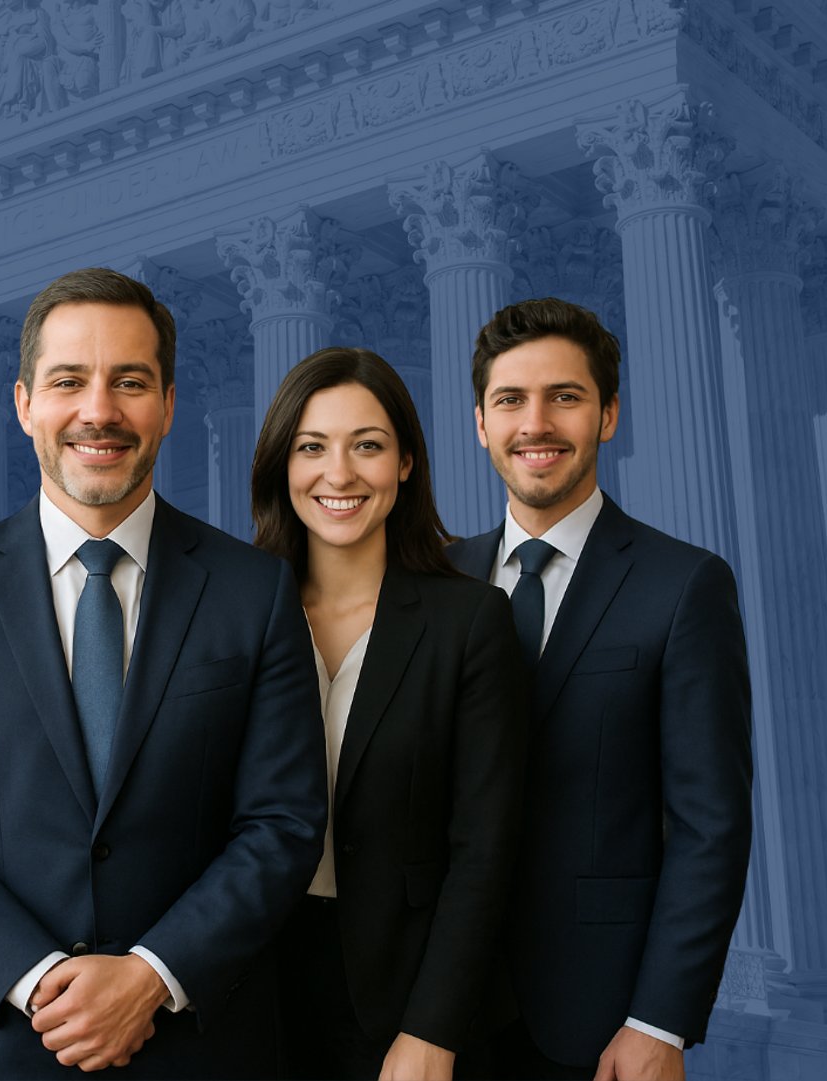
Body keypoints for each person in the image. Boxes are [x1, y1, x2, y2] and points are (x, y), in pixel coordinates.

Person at [0, 267, 327, 1078]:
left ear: (168, 404)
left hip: (195, 1046)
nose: (99, 410)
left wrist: (151, 975)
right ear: (23, 403)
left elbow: (282, 822)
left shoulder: (255, 591)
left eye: (130, 382)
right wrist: (38, 978)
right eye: (69, 380)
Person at [447, 298, 751, 1081]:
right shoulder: (432, 581)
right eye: (510, 400)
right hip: (437, 1016)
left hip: (601, 1022)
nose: (535, 424)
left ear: (608, 415)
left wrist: (660, 1020)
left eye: (565, 396)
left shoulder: (683, 585)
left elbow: (710, 825)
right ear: (480, 423)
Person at [250, 347, 529, 1080]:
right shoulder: (232, 615)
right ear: (282, 464)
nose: (339, 473)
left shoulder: (470, 620)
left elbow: (485, 848)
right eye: (312, 447)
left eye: (367, 446)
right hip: (253, 986)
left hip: (410, 991)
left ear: (405, 462)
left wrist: (433, 1027)